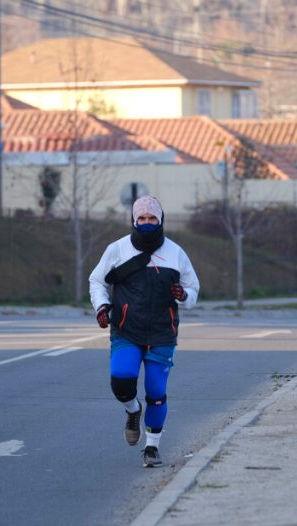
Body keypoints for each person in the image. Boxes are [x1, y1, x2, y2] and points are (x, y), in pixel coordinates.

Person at [89, 195, 200, 468]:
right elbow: (96, 281)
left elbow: (193, 290)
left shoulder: (176, 253)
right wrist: (102, 307)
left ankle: (152, 448)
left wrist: (183, 295)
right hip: (126, 330)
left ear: (161, 220)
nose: (147, 223)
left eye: (152, 218)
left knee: (156, 391)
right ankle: (132, 410)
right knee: (121, 380)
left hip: (162, 333)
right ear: (133, 220)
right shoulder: (117, 249)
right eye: (142, 219)